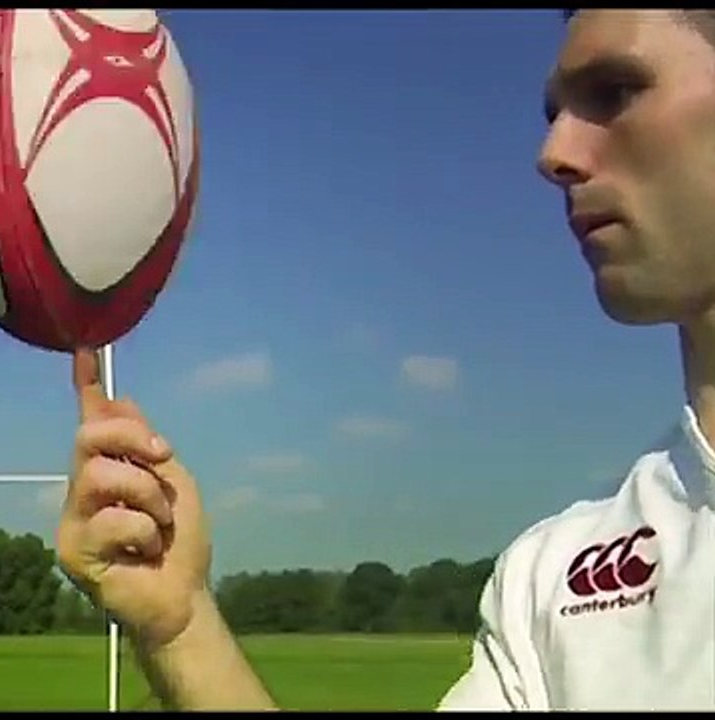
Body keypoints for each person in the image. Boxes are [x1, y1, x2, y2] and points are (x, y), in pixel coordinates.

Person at [55, 8, 714, 711]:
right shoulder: (554, 584)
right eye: (555, 111)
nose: (553, 151)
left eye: (614, 90)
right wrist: (182, 624)